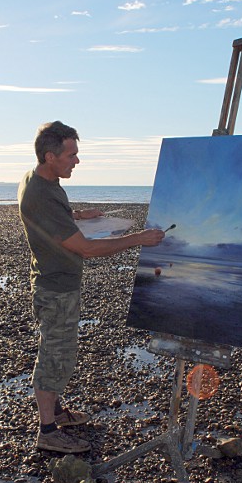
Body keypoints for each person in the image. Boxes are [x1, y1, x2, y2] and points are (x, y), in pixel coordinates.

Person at [17, 121, 165, 454]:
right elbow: (85, 249)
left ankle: (55, 413)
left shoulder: (43, 179)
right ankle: (47, 431)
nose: (77, 162)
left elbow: (54, 215)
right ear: (51, 156)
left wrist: (80, 214)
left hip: (56, 281)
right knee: (54, 355)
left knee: (60, 352)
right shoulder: (39, 192)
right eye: (72, 155)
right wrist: (138, 238)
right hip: (55, 288)